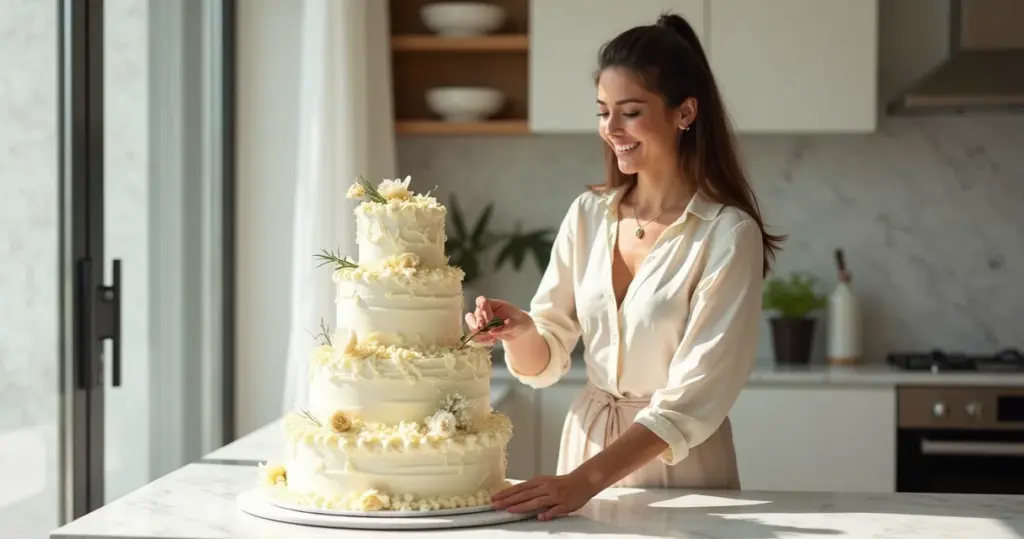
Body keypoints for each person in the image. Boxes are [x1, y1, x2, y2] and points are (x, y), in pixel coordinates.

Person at [468, 13, 785, 521]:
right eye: (603, 112)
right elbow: (544, 359)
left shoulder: (727, 234)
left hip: (678, 464)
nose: (611, 130)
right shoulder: (589, 214)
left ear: (684, 113)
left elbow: (694, 399)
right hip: (584, 449)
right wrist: (523, 331)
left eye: (630, 112)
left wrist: (582, 483)